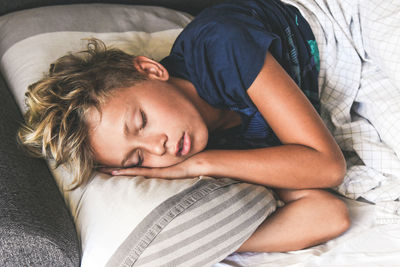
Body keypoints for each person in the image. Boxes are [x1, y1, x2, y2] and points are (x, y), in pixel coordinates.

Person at [18, 0, 350, 253]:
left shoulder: (220, 44)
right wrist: (211, 245)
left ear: (150, 70)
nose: (157, 149)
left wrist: (201, 163)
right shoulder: (209, 147)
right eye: (137, 160)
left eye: (141, 122)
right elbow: (328, 213)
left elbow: (327, 167)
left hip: (343, 24)